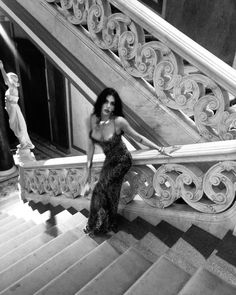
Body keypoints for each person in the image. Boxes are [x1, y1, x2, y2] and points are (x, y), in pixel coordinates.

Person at [84, 87, 178, 235]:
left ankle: (95, 224)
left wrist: (159, 148)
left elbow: (138, 137)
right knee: (112, 192)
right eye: (106, 102)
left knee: (99, 190)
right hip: (109, 161)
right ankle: (109, 223)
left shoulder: (119, 122)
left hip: (122, 160)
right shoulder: (94, 121)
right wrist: (87, 171)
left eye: (112, 104)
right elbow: (90, 147)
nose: (109, 106)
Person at [0, 60, 34, 150]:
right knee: (15, 127)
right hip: (11, 109)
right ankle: (22, 143)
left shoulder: (13, 88)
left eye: (8, 78)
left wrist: (2, 69)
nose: (6, 80)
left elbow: (6, 80)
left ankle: (24, 143)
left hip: (14, 110)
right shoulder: (10, 88)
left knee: (17, 127)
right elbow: (6, 80)